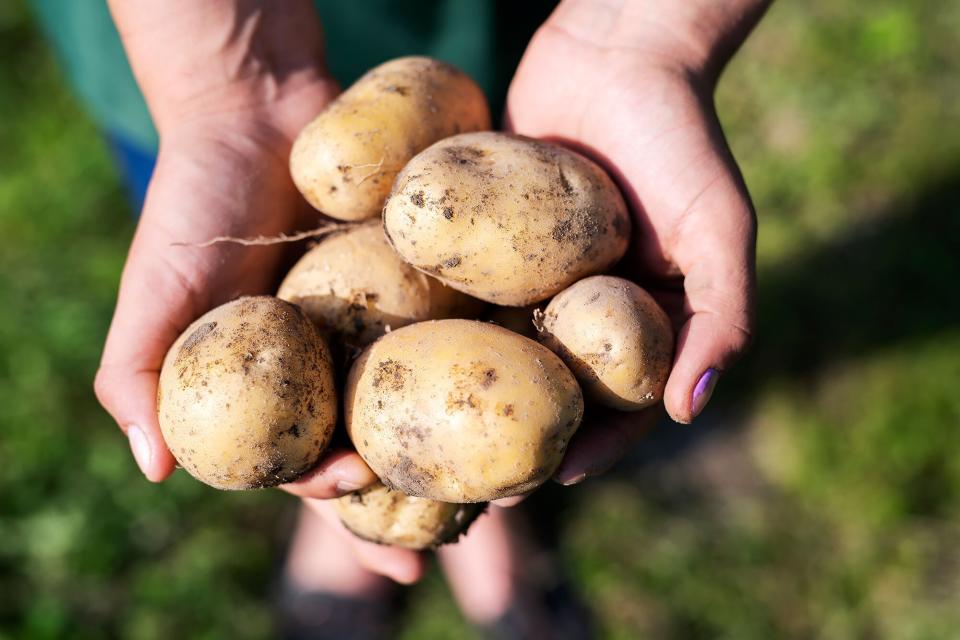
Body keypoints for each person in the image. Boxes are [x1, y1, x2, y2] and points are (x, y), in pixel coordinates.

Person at [37, 0, 764, 636]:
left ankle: (485, 515)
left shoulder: (436, 202)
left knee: (501, 433)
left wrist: (642, 28)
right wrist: (217, 85)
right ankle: (451, 506)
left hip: (525, 44)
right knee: (425, 433)